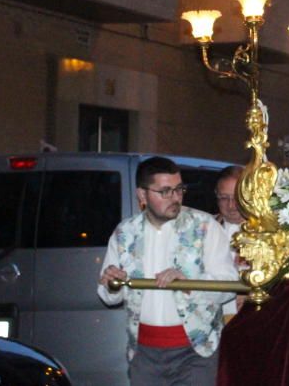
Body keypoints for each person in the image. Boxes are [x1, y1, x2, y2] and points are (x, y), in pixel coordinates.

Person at [98, 157, 237, 386]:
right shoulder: (124, 233)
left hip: (196, 353)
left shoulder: (205, 226)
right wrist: (112, 282)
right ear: (142, 195)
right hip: (144, 355)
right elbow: (108, 296)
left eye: (179, 189)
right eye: (165, 191)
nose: (175, 198)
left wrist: (190, 283)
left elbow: (229, 284)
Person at [215, 166, 248, 320]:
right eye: (224, 198)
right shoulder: (203, 228)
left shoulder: (267, 233)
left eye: (236, 198)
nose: (231, 205)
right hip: (214, 316)